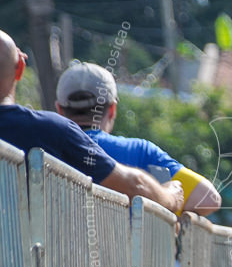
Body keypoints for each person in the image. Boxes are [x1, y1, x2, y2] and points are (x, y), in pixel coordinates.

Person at [0, 30, 182, 213]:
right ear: (21, 69)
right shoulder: (52, 131)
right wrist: (171, 198)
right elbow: (135, 186)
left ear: (61, 107)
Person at [56, 61, 221, 215]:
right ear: (112, 109)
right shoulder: (141, 152)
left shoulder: (44, 145)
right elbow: (208, 199)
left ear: (60, 109)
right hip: (125, 246)